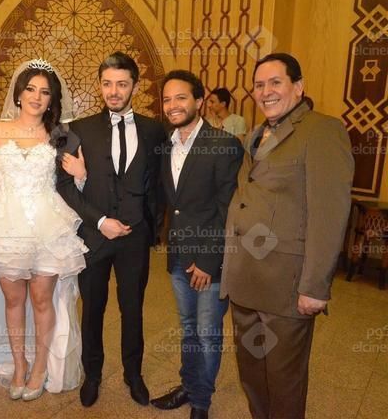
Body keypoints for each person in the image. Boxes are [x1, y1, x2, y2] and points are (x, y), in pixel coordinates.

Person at [220, 53, 354, 418]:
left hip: (287, 286)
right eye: (259, 85)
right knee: (252, 374)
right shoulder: (255, 135)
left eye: (275, 82)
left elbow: (329, 215)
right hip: (244, 281)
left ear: (298, 87)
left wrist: (315, 286)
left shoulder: (322, 131)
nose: (266, 92)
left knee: (284, 380)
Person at [57, 52, 167, 407]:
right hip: (95, 236)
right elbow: (65, 186)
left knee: (132, 309)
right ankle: (92, 374)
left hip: (135, 238)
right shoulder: (80, 129)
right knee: (92, 309)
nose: (113, 91)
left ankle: (133, 374)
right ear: (100, 85)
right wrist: (100, 221)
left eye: (121, 84)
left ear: (135, 85)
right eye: (107, 84)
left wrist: (152, 226)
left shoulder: (154, 130)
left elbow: (161, 182)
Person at [0, 59, 87, 401]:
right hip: (6, 226)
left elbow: (74, 187)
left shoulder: (60, 135)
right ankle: (19, 365)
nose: (37, 97)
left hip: (47, 226)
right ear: (19, 94)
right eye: (30, 89)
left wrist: (82, 175)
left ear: (52, 99)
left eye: (45, 92)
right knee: (13, 301)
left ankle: (39, 366)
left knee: (42, 299)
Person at [149, 71, 243, 419]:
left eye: (181, 98)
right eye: (167, 99)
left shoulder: (224, 144)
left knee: (207, 334)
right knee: (188, 328)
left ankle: (201, 402)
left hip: (209, 259)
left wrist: (207, 260)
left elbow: (227, 210)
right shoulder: (165, 145)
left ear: (199, 101)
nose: (172, 105)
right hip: (178, 255)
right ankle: (188, 386)